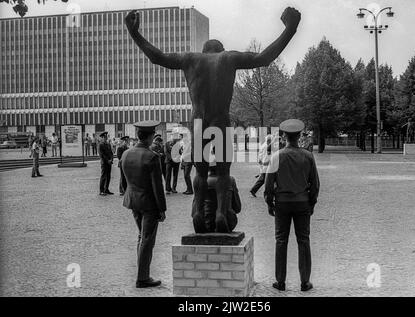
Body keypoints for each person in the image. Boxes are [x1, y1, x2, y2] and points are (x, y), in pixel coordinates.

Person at [125, 6, 301, 233]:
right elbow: (264, 57)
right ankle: (220, 214)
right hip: (220, 121)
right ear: (220, 50)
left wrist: (134, 32)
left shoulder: (189, 59)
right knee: (224, 173)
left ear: (204, 50)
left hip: (198, 123)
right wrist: (290, 29)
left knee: (199, 172)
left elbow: (156, 57)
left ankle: (198, 211)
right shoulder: (228, 58)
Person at [264, 119, 320, 293]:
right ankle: (305, 282)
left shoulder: (276, 156)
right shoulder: (308, 156)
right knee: (303, 241)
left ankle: (280, 281)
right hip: (302, 202)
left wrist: (269, 202)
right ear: (299, 136)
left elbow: (268, 184)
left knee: (281, 241)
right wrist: (311, 203)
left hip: (282, 203)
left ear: (284, 136)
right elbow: (315, 184)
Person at [121, 120, 166, 288]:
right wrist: (162, 209)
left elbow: (124, 182)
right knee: (147, 239)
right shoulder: (152, 157)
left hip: (133, 201)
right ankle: (142, 278)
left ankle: (142, 273)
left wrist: (129, 194)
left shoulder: (126, 154)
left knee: (141, 237)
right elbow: (157, 186)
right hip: (149, 204)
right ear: (150, 137)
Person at [195, 159, 241, 233]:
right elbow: (237, 207)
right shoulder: (230, 180)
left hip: (206, 222)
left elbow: (194, 209)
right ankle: (221, 217)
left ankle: (200, 217)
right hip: (228, 222)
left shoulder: (200, 182)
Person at [98, 131, 114, 196]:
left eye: (106, 137)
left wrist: (111, 159)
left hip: (109, 163)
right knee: (103, 176)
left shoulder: (108, 144)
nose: (105, 138)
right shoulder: (100, 145)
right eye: (104, 137)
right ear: (101, 138)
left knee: (108, 176)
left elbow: (111, 153)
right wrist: (108, 160)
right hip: (104, 163)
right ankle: (101, 191)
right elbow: (102, 155)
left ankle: (106, 189)